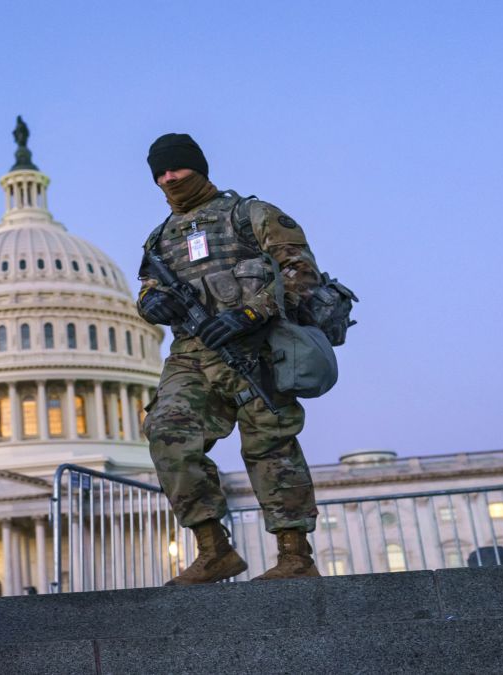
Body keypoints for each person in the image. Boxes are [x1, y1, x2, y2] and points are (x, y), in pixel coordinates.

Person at [136, 133, 324, 584]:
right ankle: (213, 548)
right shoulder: (160, 239)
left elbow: (301, 273)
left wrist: (250, 313)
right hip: (193, 355)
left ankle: (295, 555)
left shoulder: (251, 215)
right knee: (166, 431)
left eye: (176, 168)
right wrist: (152, 306)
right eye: (160, 173)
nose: (169, 178)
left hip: (257, 347)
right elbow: (146, 291)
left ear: (198, 167)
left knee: (270, 447)